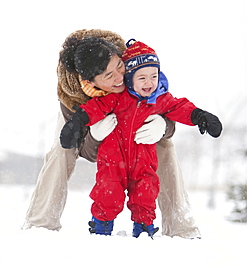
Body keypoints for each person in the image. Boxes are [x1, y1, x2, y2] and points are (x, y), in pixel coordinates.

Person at [22, 29, 201, 239]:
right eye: (109, 76)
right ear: (90, 82)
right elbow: (86, 152)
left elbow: (164, 103)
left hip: (131, 114)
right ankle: (40, 223)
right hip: (83, 115)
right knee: (62, 151)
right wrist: (95, 135)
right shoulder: (73, 96)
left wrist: (164, 126)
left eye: (119, 67)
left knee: (165, 146)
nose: (120, 78)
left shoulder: (129, 62)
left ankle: (180, 227)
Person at [60, 38, 222, 237]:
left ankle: (144, 230)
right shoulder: (116, 97)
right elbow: (94, 108)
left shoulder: (159, 99)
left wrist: (199, 116)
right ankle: (101, 228)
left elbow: (179, 107)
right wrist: (76, 123)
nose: (149, 82)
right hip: (112, 160)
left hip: (144, 161)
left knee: (146, 194)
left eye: (154, 76)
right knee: (107, 194)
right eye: (142, 77)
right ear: (130, 78)